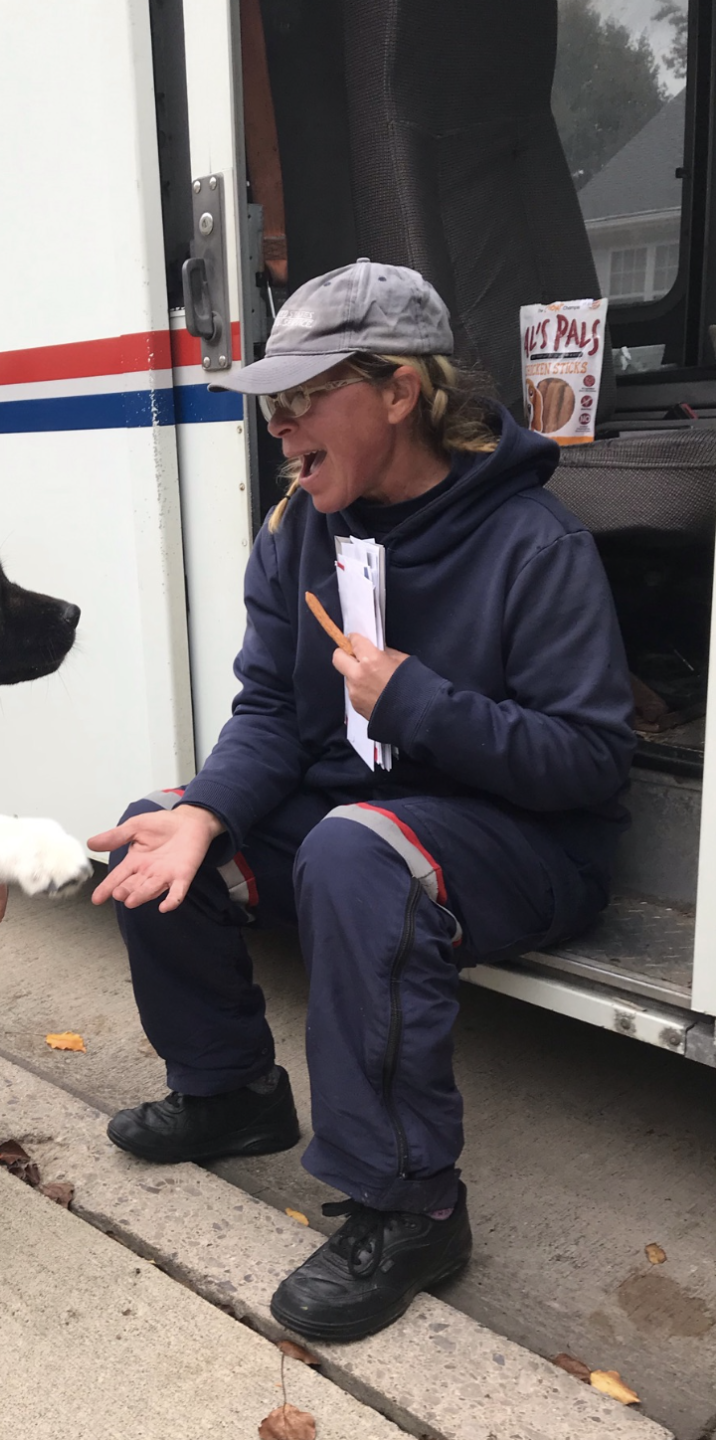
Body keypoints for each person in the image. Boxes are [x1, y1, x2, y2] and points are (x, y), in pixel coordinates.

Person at [87, 259, 635, 1343]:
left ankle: (413, 1205)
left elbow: (587, 763)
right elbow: (265, 716)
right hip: (365, 825)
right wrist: (201, 814)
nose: (278, 429)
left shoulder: (532, 544)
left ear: (397, 393)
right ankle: (229, 1091)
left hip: (525, 843)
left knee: (354, 851)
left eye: (301, 400)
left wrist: (418, 704)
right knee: (164, 824)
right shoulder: (298, 533)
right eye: (271, 405)